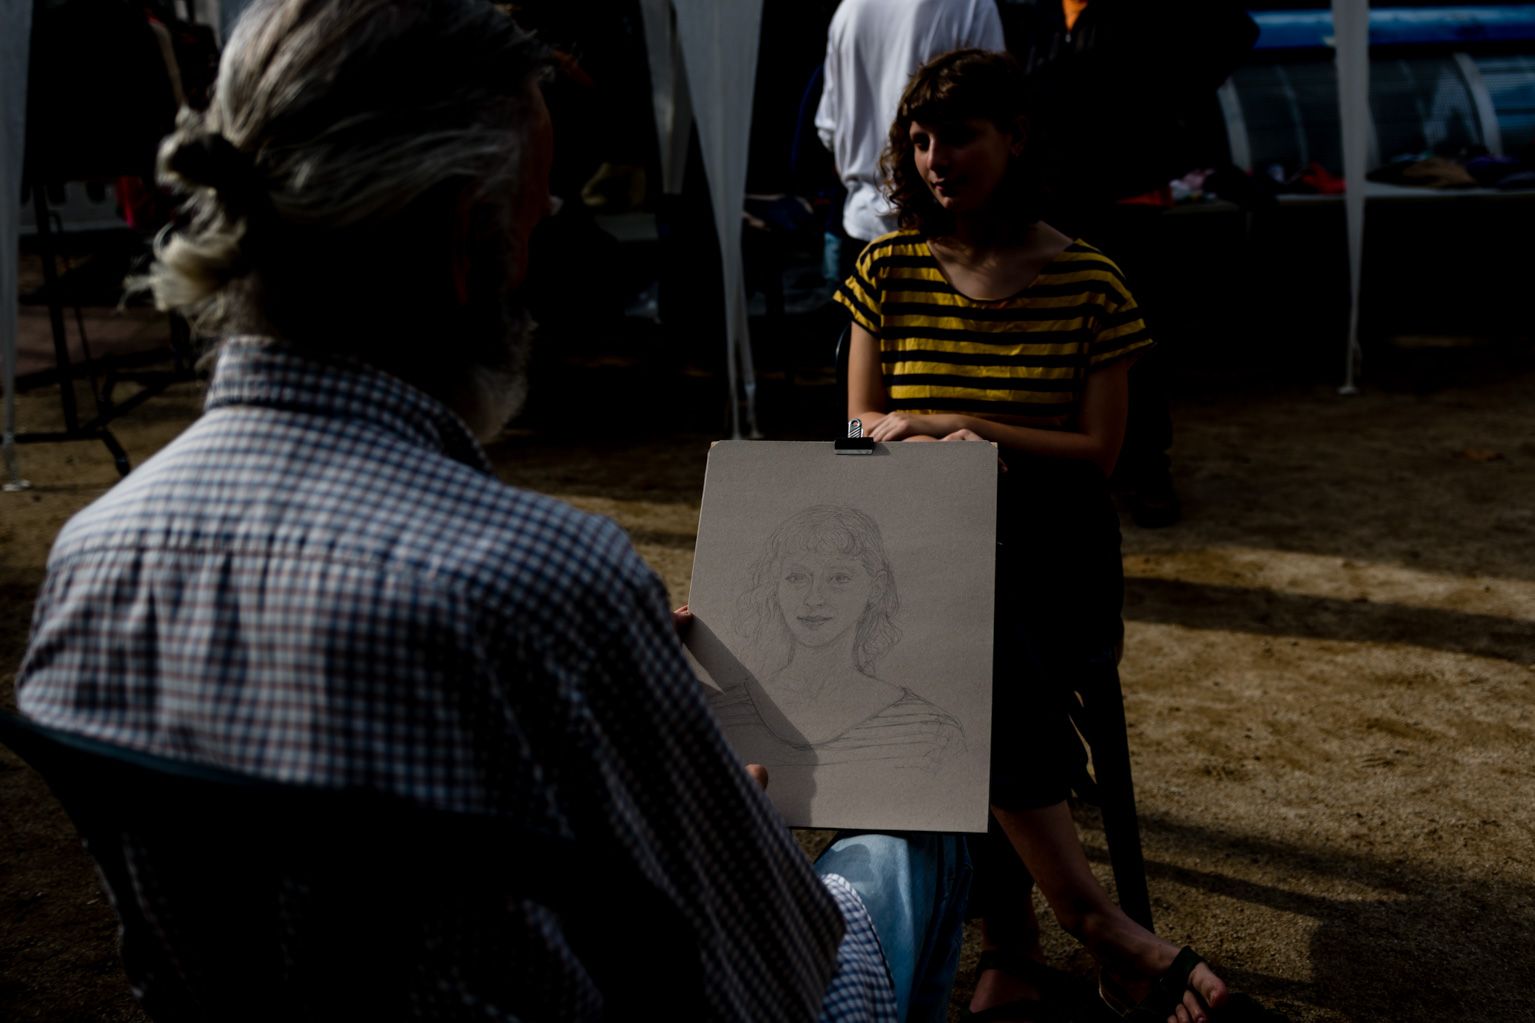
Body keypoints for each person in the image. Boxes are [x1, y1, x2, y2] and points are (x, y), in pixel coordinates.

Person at [13, 1, 967, 1019]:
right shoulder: (542, 583)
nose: (537, 255)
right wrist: (718, 808)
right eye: (537, 217)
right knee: (916, 833)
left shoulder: (92, 555)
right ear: (468, 240)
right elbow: (779, 986)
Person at [835, 50, 1231, 1023]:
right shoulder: (884, 268)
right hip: (926, 563)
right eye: (919, 139)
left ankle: (1015, 940)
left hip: (1056, 566)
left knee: (959, 631)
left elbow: (1100, 453)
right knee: (951, 614)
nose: (934, 158)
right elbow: (855, 427)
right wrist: (917, 443)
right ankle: (1087, 918)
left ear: (1014, 138)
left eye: (958, 135)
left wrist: (966, 433)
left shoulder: (1088, 278)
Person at [711, 504, 964, 772]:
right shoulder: (719, 714)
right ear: (776, 586)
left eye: (839, 578)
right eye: (796, 578)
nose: (813, 599)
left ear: (875, 588)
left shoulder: (931, 731)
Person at [815, 0, 1005, 282]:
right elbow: (997, 109)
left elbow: (827, 128)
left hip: (858, 228)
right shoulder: (969, 5)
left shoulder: (849, 9)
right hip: (945, 238)